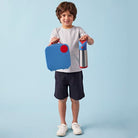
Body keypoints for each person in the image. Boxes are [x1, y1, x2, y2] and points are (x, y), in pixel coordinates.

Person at [49, 1, 94, 136]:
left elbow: (91, 42)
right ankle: (63, 124)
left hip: (75, 72)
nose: (66, 18)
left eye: (69, 15)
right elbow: (50, 47)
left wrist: (87, 38)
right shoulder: (56, 31)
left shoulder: (78, 30)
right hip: (60, 72)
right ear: (59, 16)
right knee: (61, 99)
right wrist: (53, 43)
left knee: (75, 98)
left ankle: (75, 122)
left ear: (74, 16)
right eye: (63, 15)